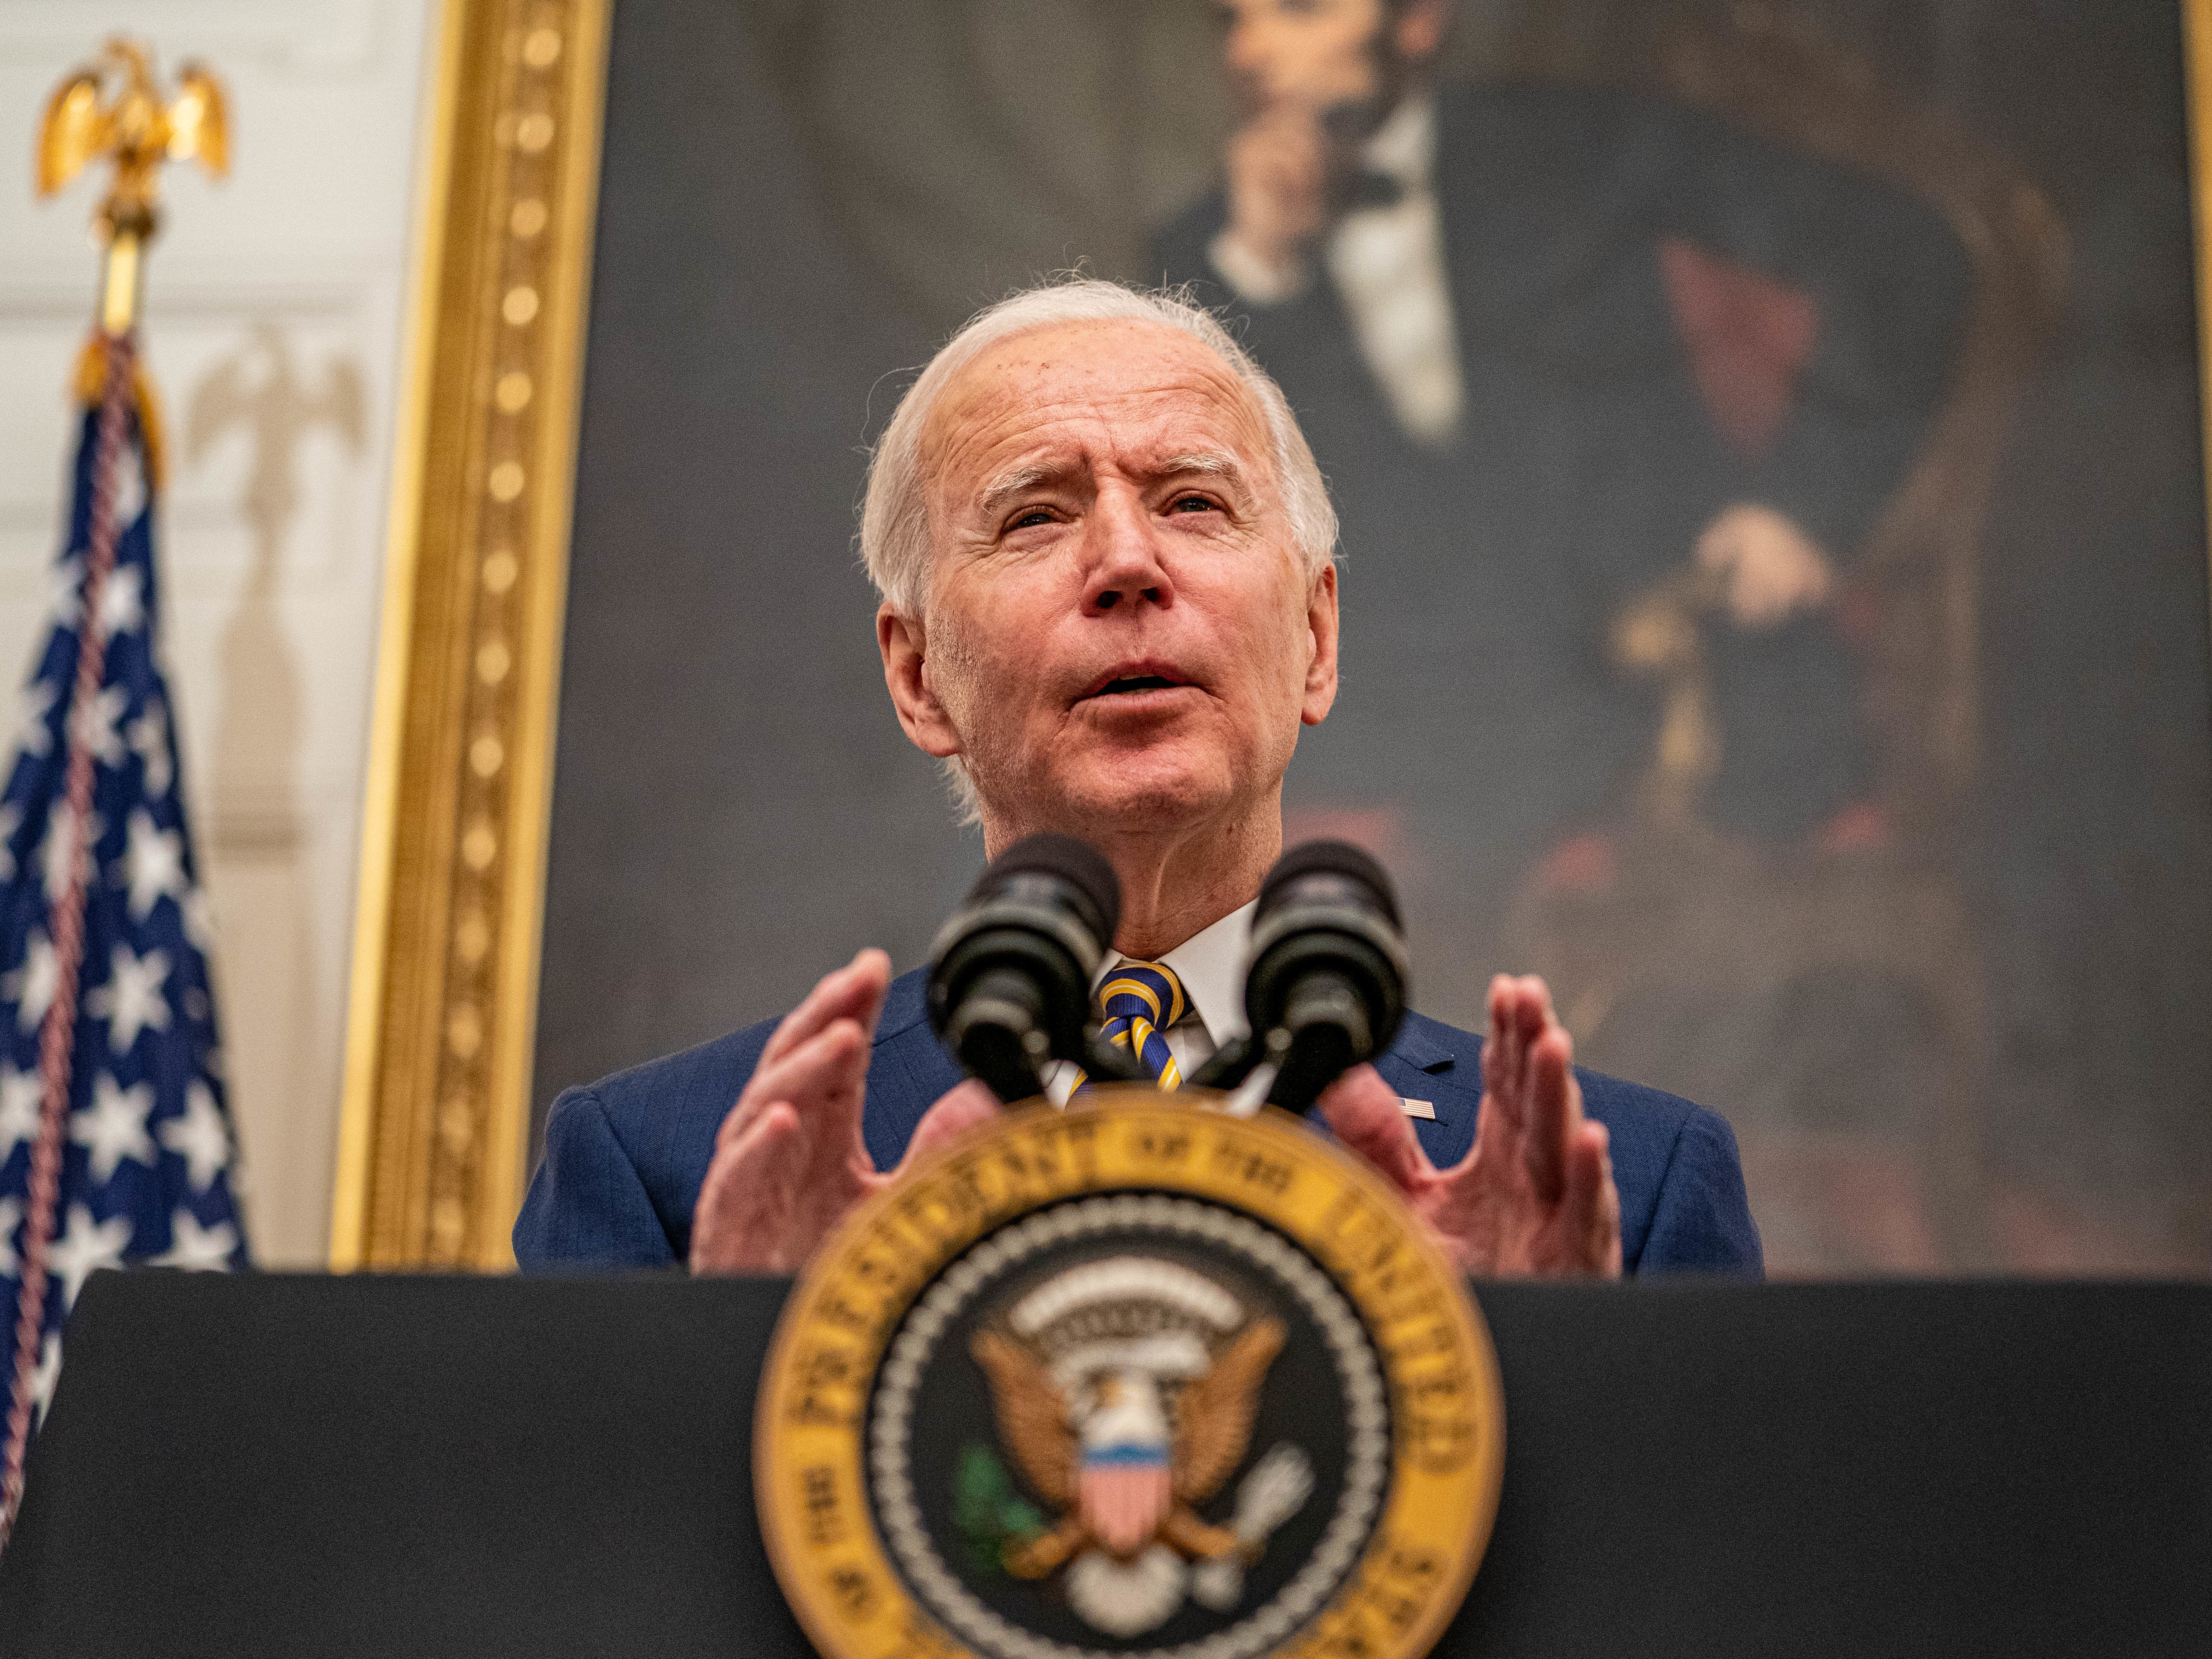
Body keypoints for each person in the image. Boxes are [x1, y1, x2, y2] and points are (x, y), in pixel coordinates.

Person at [512, 279, 1761, 1279]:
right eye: (1034, 516)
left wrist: (1537, 1360)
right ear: (918, 675)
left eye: (1194, 502)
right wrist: (752, 1350)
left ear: (1315, 637)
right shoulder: (676, 1177)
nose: (1126, 561)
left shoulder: (1618, 1195)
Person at [1152, 0, 1972, 857]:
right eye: (1230, 20)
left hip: (1670, 675)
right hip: (1403, 716)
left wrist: (1799, 502)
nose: (1249, 50)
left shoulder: (1582, 146)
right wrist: (1267, 276)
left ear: (1419, 19)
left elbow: (1909, 255)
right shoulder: (1205, 257)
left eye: (1298, 8)